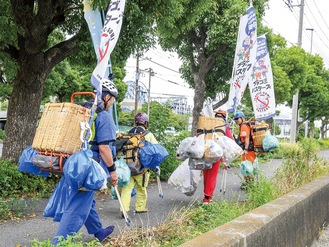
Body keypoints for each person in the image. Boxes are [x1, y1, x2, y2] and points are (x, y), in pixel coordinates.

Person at [51, 79, 119, 245]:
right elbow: (104, 149)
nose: (113, 103)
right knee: (77, 206)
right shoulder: (103, 116)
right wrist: (113, 171)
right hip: (88, 168)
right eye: (114, 99)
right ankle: (58, 243)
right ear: (108, 97)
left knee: (86, 199)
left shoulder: (81, 111)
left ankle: (99, 231)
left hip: (71, 163)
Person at [120, 112, 158, 215]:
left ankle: (124, 209)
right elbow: (156, 149)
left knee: (126, 188)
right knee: (141, 188)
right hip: (142, 167)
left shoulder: (129, 133)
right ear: (145, 123)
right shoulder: (148, 134)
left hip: (128, 166)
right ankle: (140, 208)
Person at [202, 110, 234, 204]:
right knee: (212, 175)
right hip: (216, 154)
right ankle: (207, 198)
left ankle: (206, 195)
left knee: (206, 174)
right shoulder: (224, 126)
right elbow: (229, 142)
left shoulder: (207, 124)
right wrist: (226, 159)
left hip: (205, 152)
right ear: (224, 117)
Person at [233, 111, 257, 189]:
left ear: (242, 118)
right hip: (249, 149)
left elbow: (246, 138)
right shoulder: (244, 125)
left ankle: (250, 184)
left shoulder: (243, 126)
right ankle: (248, 183)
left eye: (237, 118)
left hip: (248, 149)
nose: (236, 120)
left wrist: (246, 149)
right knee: (246, 166)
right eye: (235, 119)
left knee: (247, 167)